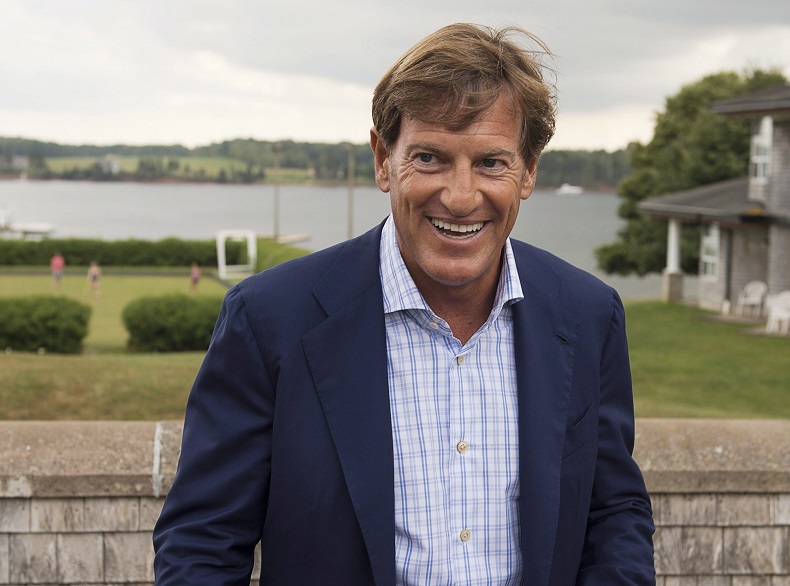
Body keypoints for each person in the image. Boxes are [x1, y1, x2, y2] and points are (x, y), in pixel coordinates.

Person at [153, 23, 655, 584]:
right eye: (430, 158)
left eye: (491, 163)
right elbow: (202, 544)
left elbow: (613, 513)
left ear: (529, 171)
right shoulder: (269, 320)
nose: (460, 197)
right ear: (382, 159)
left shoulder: (589, 315)